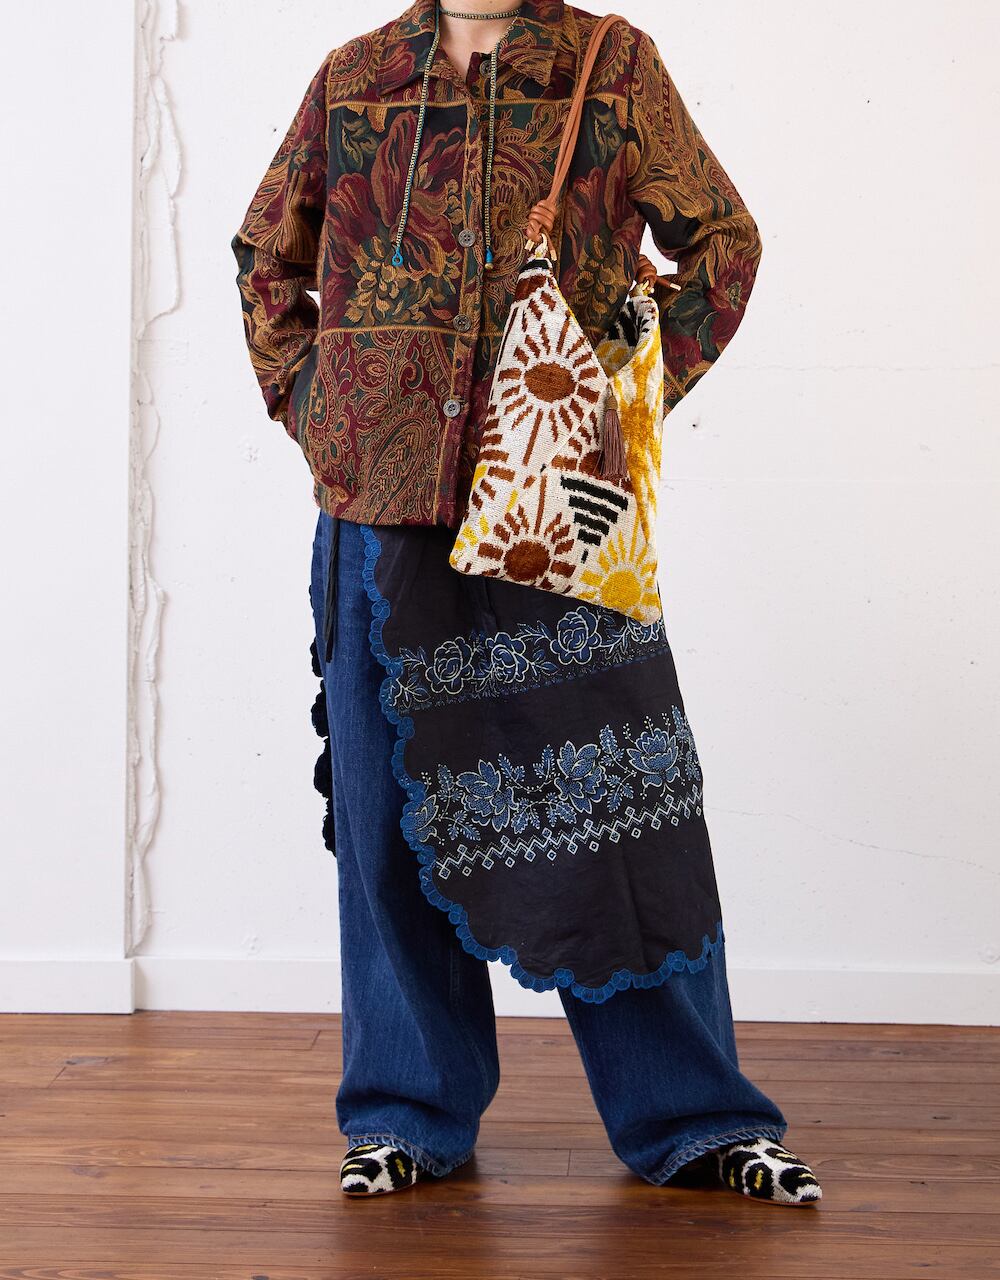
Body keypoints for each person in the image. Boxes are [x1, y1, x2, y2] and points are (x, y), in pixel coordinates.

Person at [232, 0, 822, 1205]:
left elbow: (724, 245)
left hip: (559, 510)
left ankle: (696, 1115)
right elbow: (266, 257)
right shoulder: (355, 77)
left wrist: (613, 400)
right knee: (392, 824)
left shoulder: (611, 65)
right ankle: (405, 1112)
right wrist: (320, 410)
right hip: (379, 503)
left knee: (624, 812)